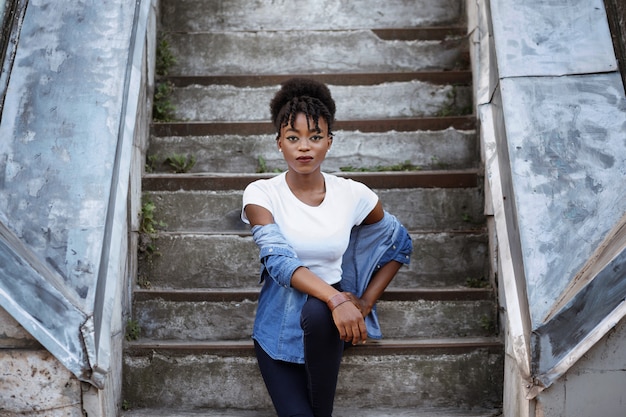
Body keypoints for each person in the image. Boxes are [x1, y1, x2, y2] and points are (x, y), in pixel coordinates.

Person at [241, 77, 412, 417]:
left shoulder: (353, 194)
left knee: (319, 314)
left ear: (329, 142)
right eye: (293, 138)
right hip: (278, 323)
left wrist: (363, 302)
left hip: (330, 324)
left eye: (315, 137)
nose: (304, 147)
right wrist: (336, 299)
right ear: (279, 143)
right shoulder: (261, 194)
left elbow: (398, 242)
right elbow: (277, 259)